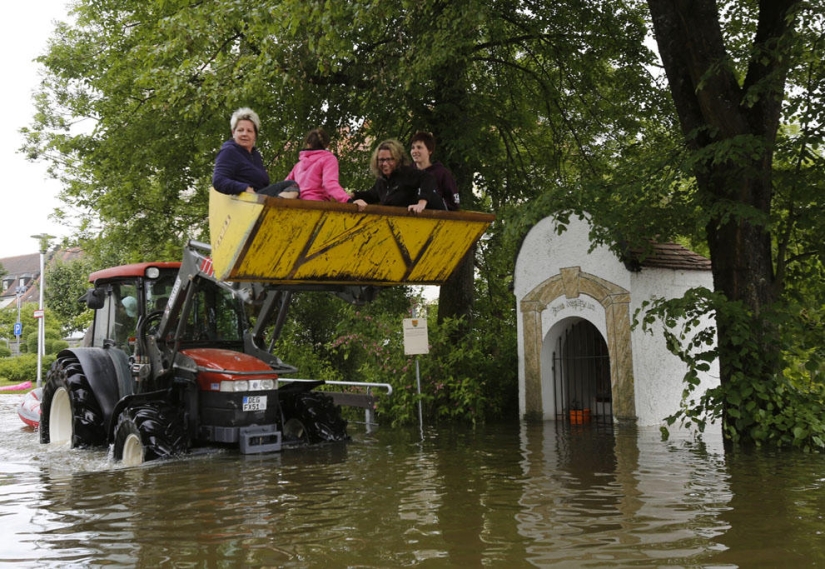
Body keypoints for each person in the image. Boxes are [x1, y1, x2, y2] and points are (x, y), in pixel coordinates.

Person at [212, 107, 298, 197]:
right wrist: (244, 188)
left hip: (259, 197)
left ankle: (274, 206)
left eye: (249, 131)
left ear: (255, 135)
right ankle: (274, 207)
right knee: (291, 185)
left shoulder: (256, 155)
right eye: (240, 130)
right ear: (233, 133)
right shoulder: (229, 151)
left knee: (293, 188)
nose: (244, 134)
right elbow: (219, 181)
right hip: (244, 202)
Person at [350, 139, 446, 213]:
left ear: (397, 159)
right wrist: (349, 196)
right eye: (381, 160)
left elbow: (428, 178)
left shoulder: (407, 174)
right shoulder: (382, 182)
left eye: (389, 159)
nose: (385, 164)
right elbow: (371, 195)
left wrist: (421, 204)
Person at [284, 128, 351, 203]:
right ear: (327, 145)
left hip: (297, 206)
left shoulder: (298, 165)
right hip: (316, 206)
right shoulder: (328, 159)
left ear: (308, 144)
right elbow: (329, 183)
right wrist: (348, 200)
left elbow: (285, 185)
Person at [409, 131, 460, 211]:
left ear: (430, 151)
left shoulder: (442, 173)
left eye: (419, 147)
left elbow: (453, 204)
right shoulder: (407, 172)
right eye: (412, 148)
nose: (415, 151)